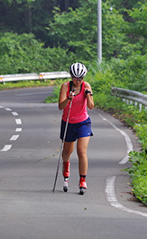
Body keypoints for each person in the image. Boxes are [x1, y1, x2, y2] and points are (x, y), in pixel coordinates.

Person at [58, 62, 94, 195]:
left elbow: (91, 106)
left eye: (80, 78)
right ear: (71, 76)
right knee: (67, 152)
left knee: (81, 151)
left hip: (83, 122)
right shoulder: (65, 87)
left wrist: (88, 95)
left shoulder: (86, 86)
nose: (78, 81)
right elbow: (61, 107)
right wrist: (68, 98)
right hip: (68, 122)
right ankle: (66, 172)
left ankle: (82, 180)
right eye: (75, 78)